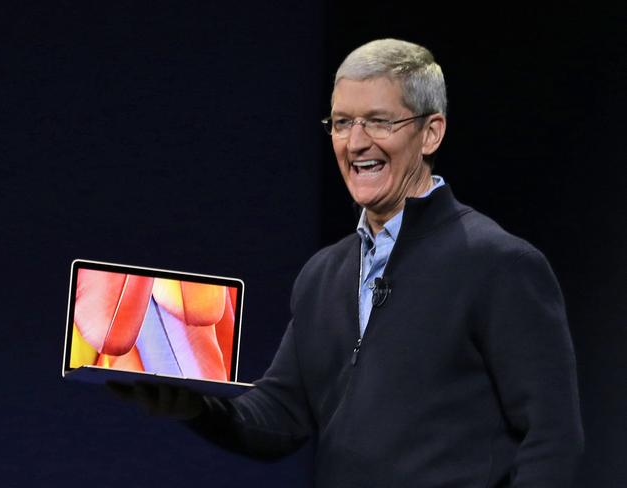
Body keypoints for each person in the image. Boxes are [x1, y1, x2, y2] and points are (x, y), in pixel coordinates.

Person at [110, 38, 584, 487]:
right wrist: (195, 407)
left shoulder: (498, 264)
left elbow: (553, 438)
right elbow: (280, 418)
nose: (355, 143)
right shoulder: (323, 275)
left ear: (430, 132)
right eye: (341, 123)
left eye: (379, 121)